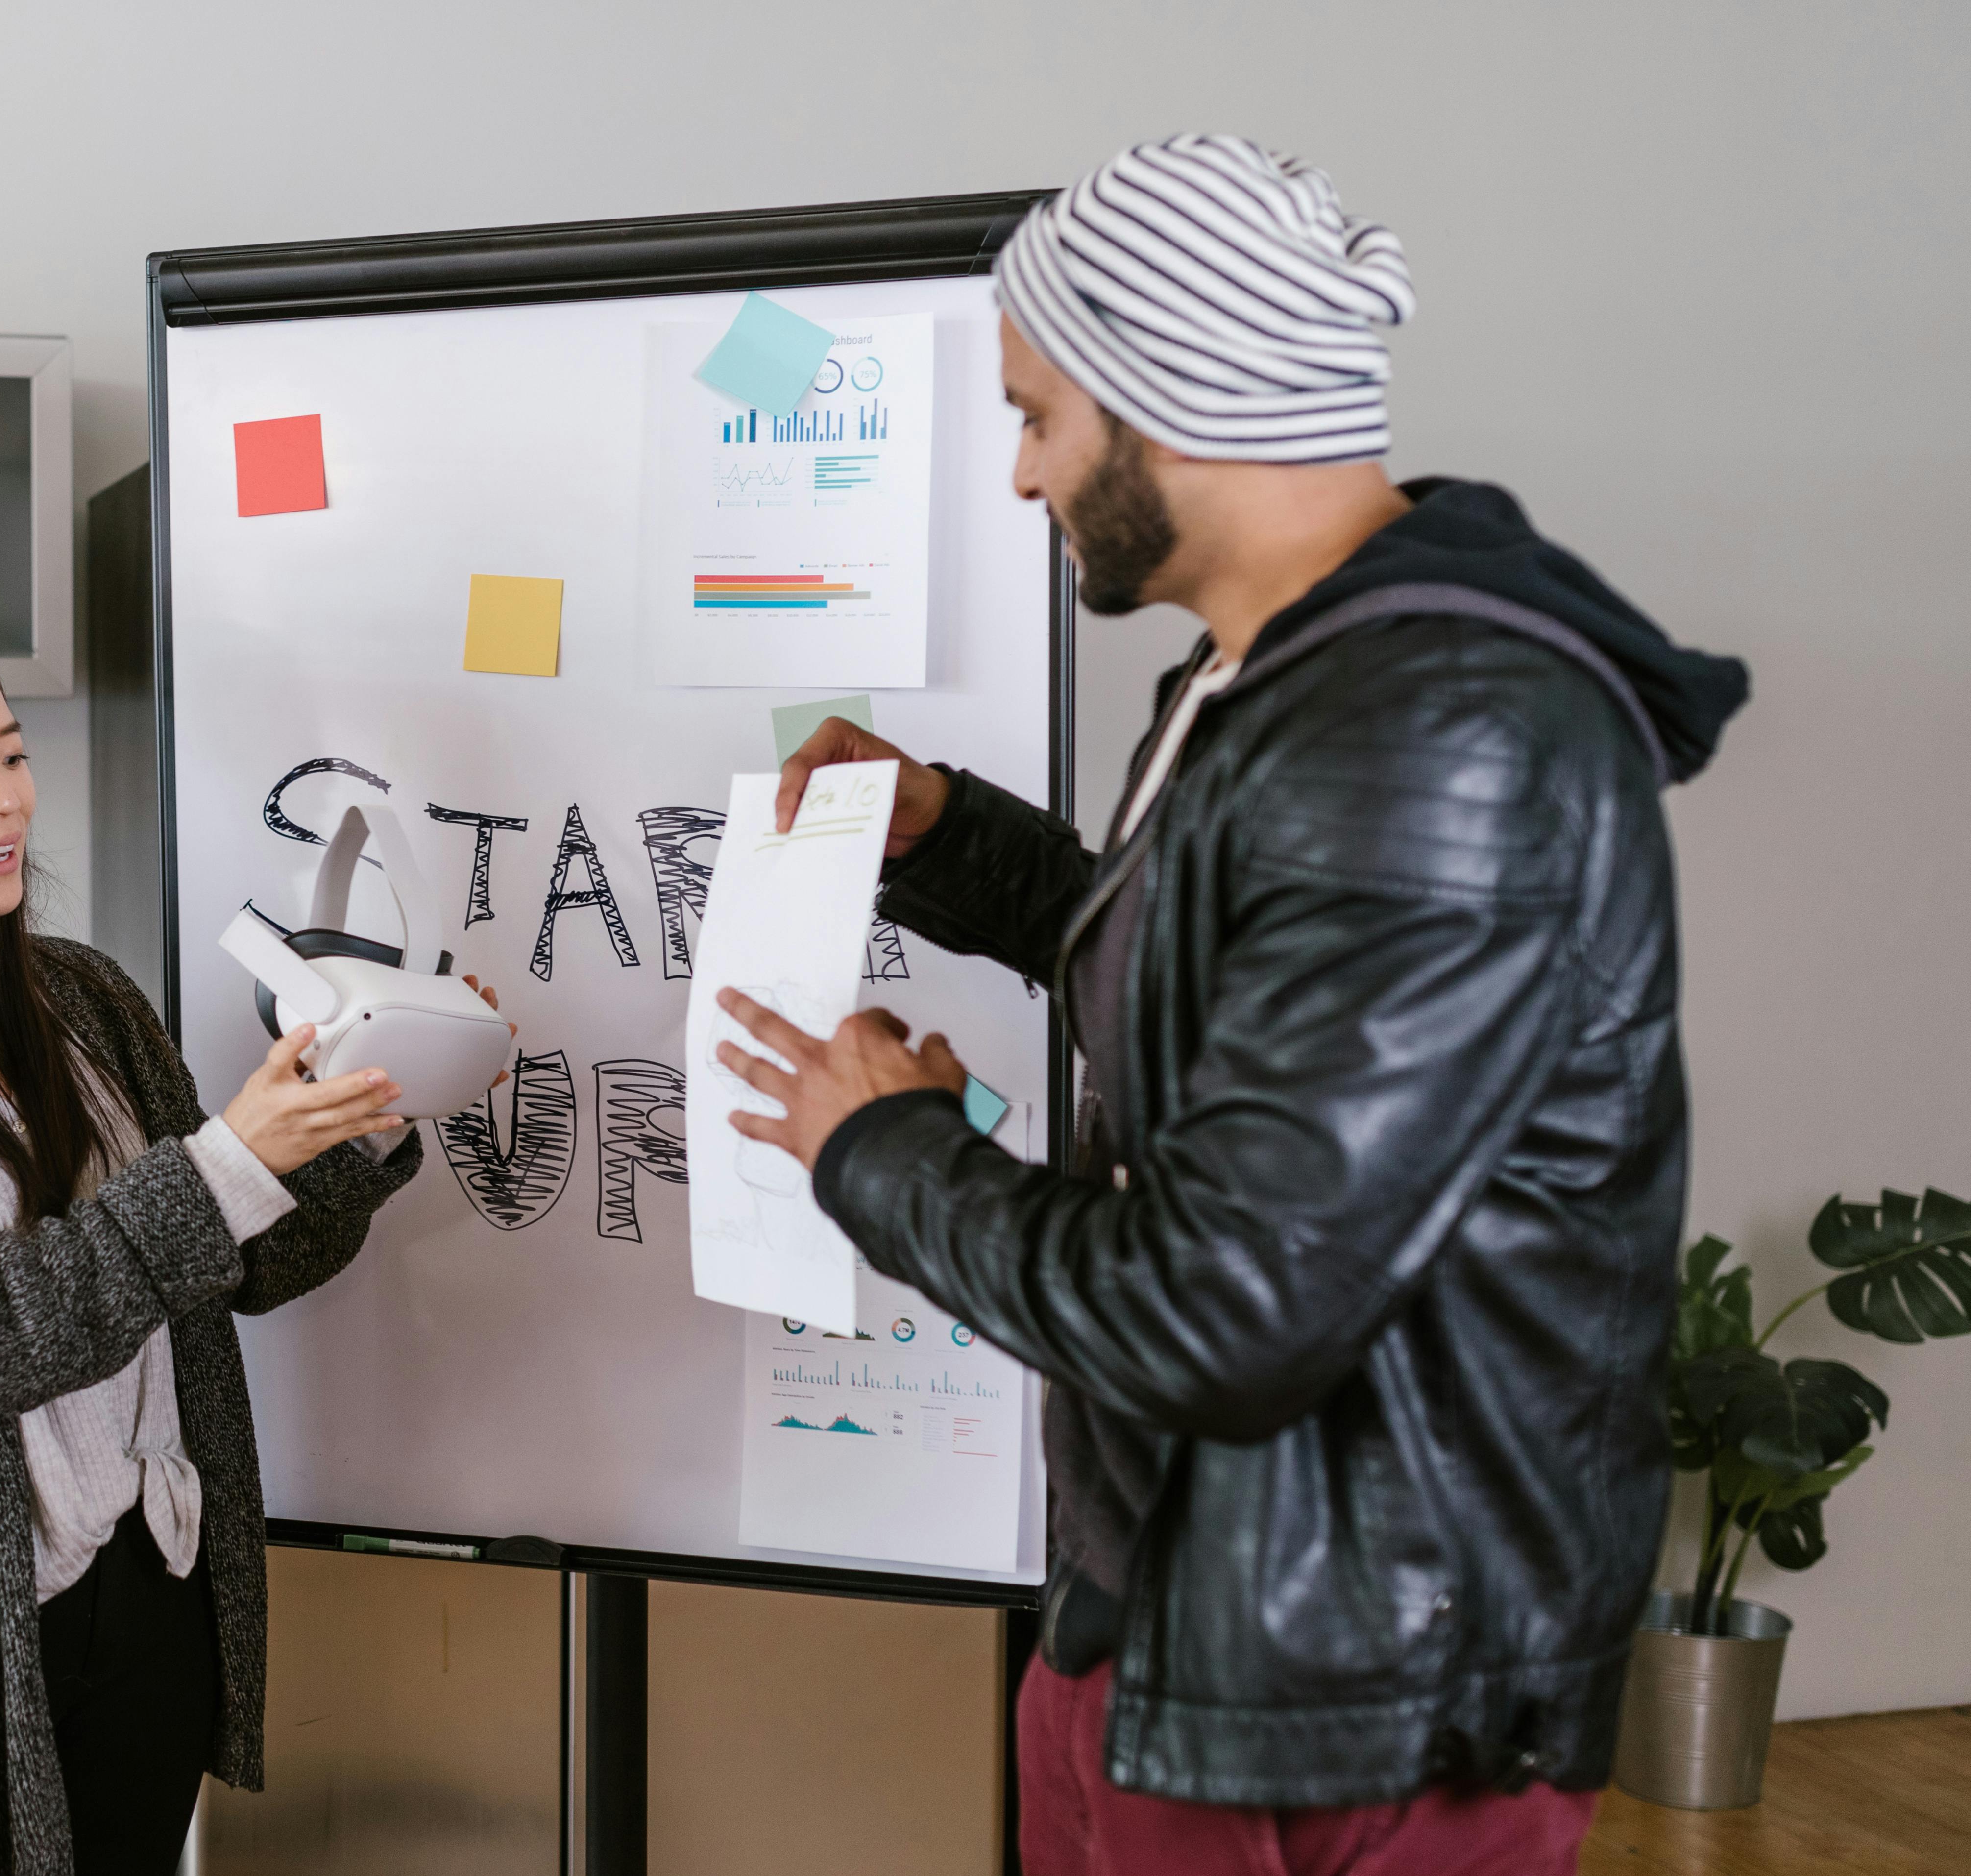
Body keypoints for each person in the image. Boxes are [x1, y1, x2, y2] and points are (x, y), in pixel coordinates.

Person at [719, 135, 1750, 1875]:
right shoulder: (1272, 680)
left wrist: (883, 1153)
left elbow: (1229, 1311)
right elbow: (1227, 986)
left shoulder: (1437, 741)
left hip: (1343, 1701)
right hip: (1190, 1617)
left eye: (1039, 416)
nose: (1027, 474)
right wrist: (952, 835)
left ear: (1162, 393)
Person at [0, 577, 502, 1876]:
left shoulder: (81, 1001)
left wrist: (366, 1110)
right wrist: (227, 1163)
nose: (9, 798)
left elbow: (239, 1264)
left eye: (13, 755)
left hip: (154, 1586)